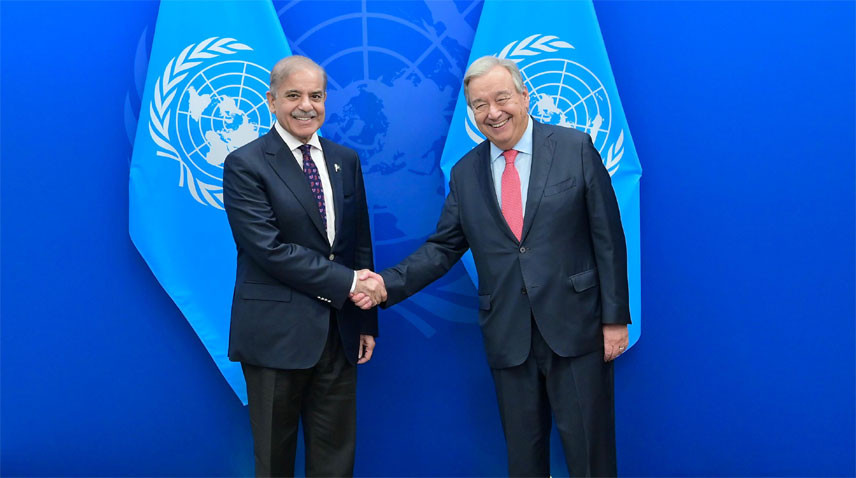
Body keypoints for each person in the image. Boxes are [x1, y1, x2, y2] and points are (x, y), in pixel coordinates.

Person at [353, 56, 631, 477]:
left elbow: (608, 239)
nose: (493, 112)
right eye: (479, 105)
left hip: (578, 328)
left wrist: (615, 320)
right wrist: (385, 285)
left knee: (591, 453)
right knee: (523, 456)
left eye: (502, 98)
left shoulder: (576, 148)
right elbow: (443, 248)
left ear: (524, 96)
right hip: (509, 333)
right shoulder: (466, 173)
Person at [223, 55, 382, 477]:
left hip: (338, 333)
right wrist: (351, 282)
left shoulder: (344, 160)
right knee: (275, 461)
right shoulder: (245, 164)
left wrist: (365, 319)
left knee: (335, 460)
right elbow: (268, 249)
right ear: (271, 100)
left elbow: (357, 242)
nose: (306, 105)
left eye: (316, 95)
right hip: (275, 336)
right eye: (293, 95)